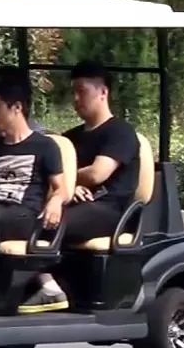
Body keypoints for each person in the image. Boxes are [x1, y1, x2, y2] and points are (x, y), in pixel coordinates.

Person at [17, 60, 141, 314]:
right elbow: (54, 177)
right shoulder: (70, 138)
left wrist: (70, 180)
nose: (75, 98)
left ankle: (48, 285)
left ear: (103, 92)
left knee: (47, 222)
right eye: (73, 91)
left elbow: (97, 174)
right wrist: (68, 188)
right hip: (76, 205)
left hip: (109, 211)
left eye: (82, 91)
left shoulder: (120, 133)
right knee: (21, 217)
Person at [0, 78, 70, 318]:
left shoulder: (45, 146)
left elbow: (61, 188)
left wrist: (54, 201)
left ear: (17, 108)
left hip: (25, 216)